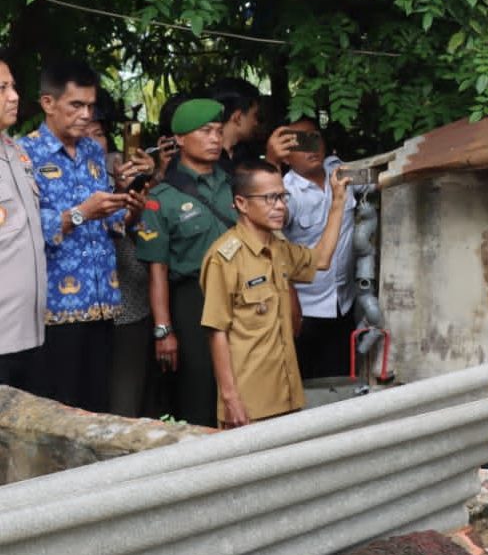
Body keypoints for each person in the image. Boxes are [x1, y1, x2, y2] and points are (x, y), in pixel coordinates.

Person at [20, 59, 143, 411]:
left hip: (103, 303)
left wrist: (129, 208)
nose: (86, 114)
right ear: (48, 103)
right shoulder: (22, 154)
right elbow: (21, 229)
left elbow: (109, 221)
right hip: (54, 310)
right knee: (59, 410)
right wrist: (80, 213)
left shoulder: (93, 151)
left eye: (91, 105)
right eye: (76, 105)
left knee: (96, 406)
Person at [199, 159, 351, 427]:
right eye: (270, 198)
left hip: (287, 396)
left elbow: (322, 259)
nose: (281, 206)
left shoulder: (279, 248)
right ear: (242, 204)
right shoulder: (224, 258)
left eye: (283, 197)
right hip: (249, 404)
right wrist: (231, 398)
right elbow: (216, 331)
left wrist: (337, 202)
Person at [135, 98, 235, 426]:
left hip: (241, 294)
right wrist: (164, 330)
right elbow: (158, 270)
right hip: (195, 300)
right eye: (205, 131)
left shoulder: (235, 183)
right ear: (179, 139)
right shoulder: (162, 198)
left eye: (219, 131)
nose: (215, 138)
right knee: (200, 389)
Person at [83, 96, 157, 418]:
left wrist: (146, 181)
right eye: (84, 133)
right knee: (86, 402)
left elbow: (154, 228)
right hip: (79, 312)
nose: (91, 140)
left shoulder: (120, 168)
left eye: (97, 133)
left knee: (125, 404)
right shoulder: (54, 177)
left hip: (128, 305)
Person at [281, 118, 357, 379]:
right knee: (308, 386)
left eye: (314, 138)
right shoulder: (285, 193)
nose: (311, 148)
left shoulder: (342, 172)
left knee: (343, 381)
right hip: (306, 309)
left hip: (344, 302)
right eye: (299, 143)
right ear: (286, 156)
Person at [0, 47, 46, 390]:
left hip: (29, 332)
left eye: (13, 86)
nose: (14, 97)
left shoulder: (15, 151)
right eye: (2, 89)